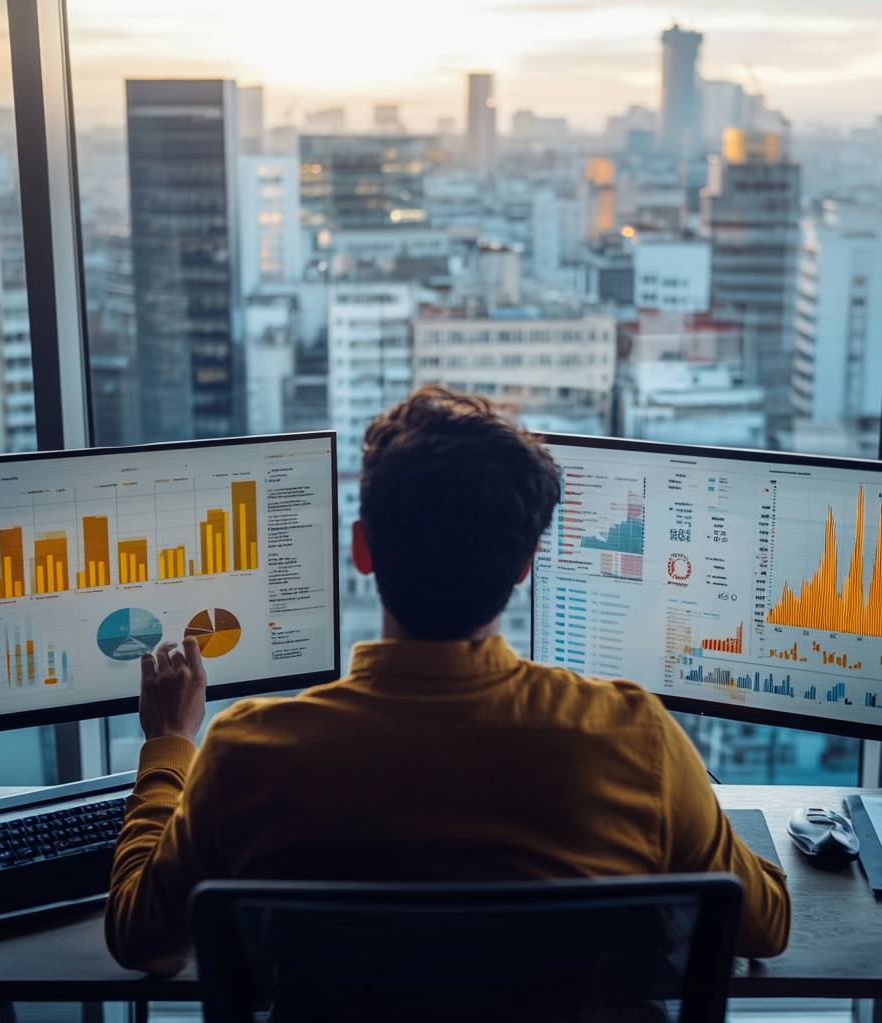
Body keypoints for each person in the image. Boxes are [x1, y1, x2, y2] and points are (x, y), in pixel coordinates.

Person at [106, 386, 790, 975]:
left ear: (362, 549)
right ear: (525, 564)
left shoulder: (249, 753)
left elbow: (144, 944)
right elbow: (765, 927)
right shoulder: (634, 741)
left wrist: (169, 745)